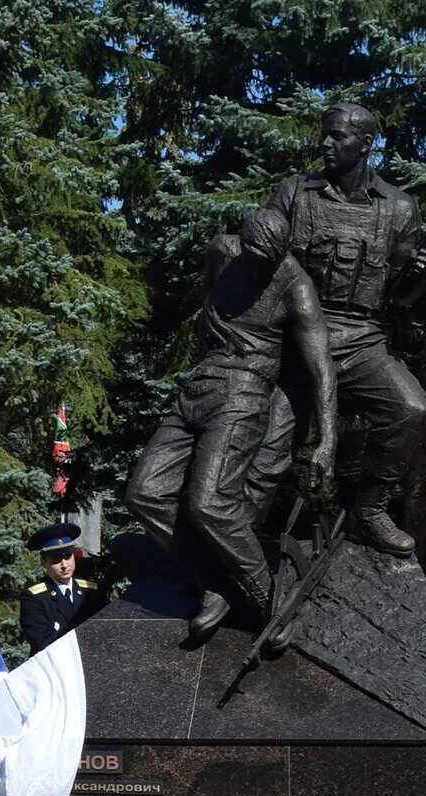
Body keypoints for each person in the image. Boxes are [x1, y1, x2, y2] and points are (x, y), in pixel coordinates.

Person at [124, 208, 338, 637]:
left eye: (270, 258)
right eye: (255, 255)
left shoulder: (296, 289)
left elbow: (322, 367)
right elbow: (210, 307)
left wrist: (328, 440)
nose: (262, 265)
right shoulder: (222, 252)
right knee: (144, 494)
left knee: (210, 503)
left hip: (244, 394)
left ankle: (268, 604)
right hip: (199, 387)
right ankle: (218, 583)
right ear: (242, 244)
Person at [262, 103, 426, 556]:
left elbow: (405, 298)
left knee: (411, 410)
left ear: (365, 144)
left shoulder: (398, 208)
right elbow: (259, 266)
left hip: (363, 340)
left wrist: (419, 270)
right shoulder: (294, 194)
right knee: (269, 448)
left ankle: (370, 511)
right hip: (298, 340)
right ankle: (227, 552)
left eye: (337, 136)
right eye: (325, 135)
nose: (326, 143)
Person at [19, 523, 108, 656]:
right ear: (44, 562)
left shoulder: (91, 592)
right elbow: (43, 642)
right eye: (56, 560)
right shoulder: (34, 598)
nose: (64, 565)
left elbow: (107, 630)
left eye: (67, 557)